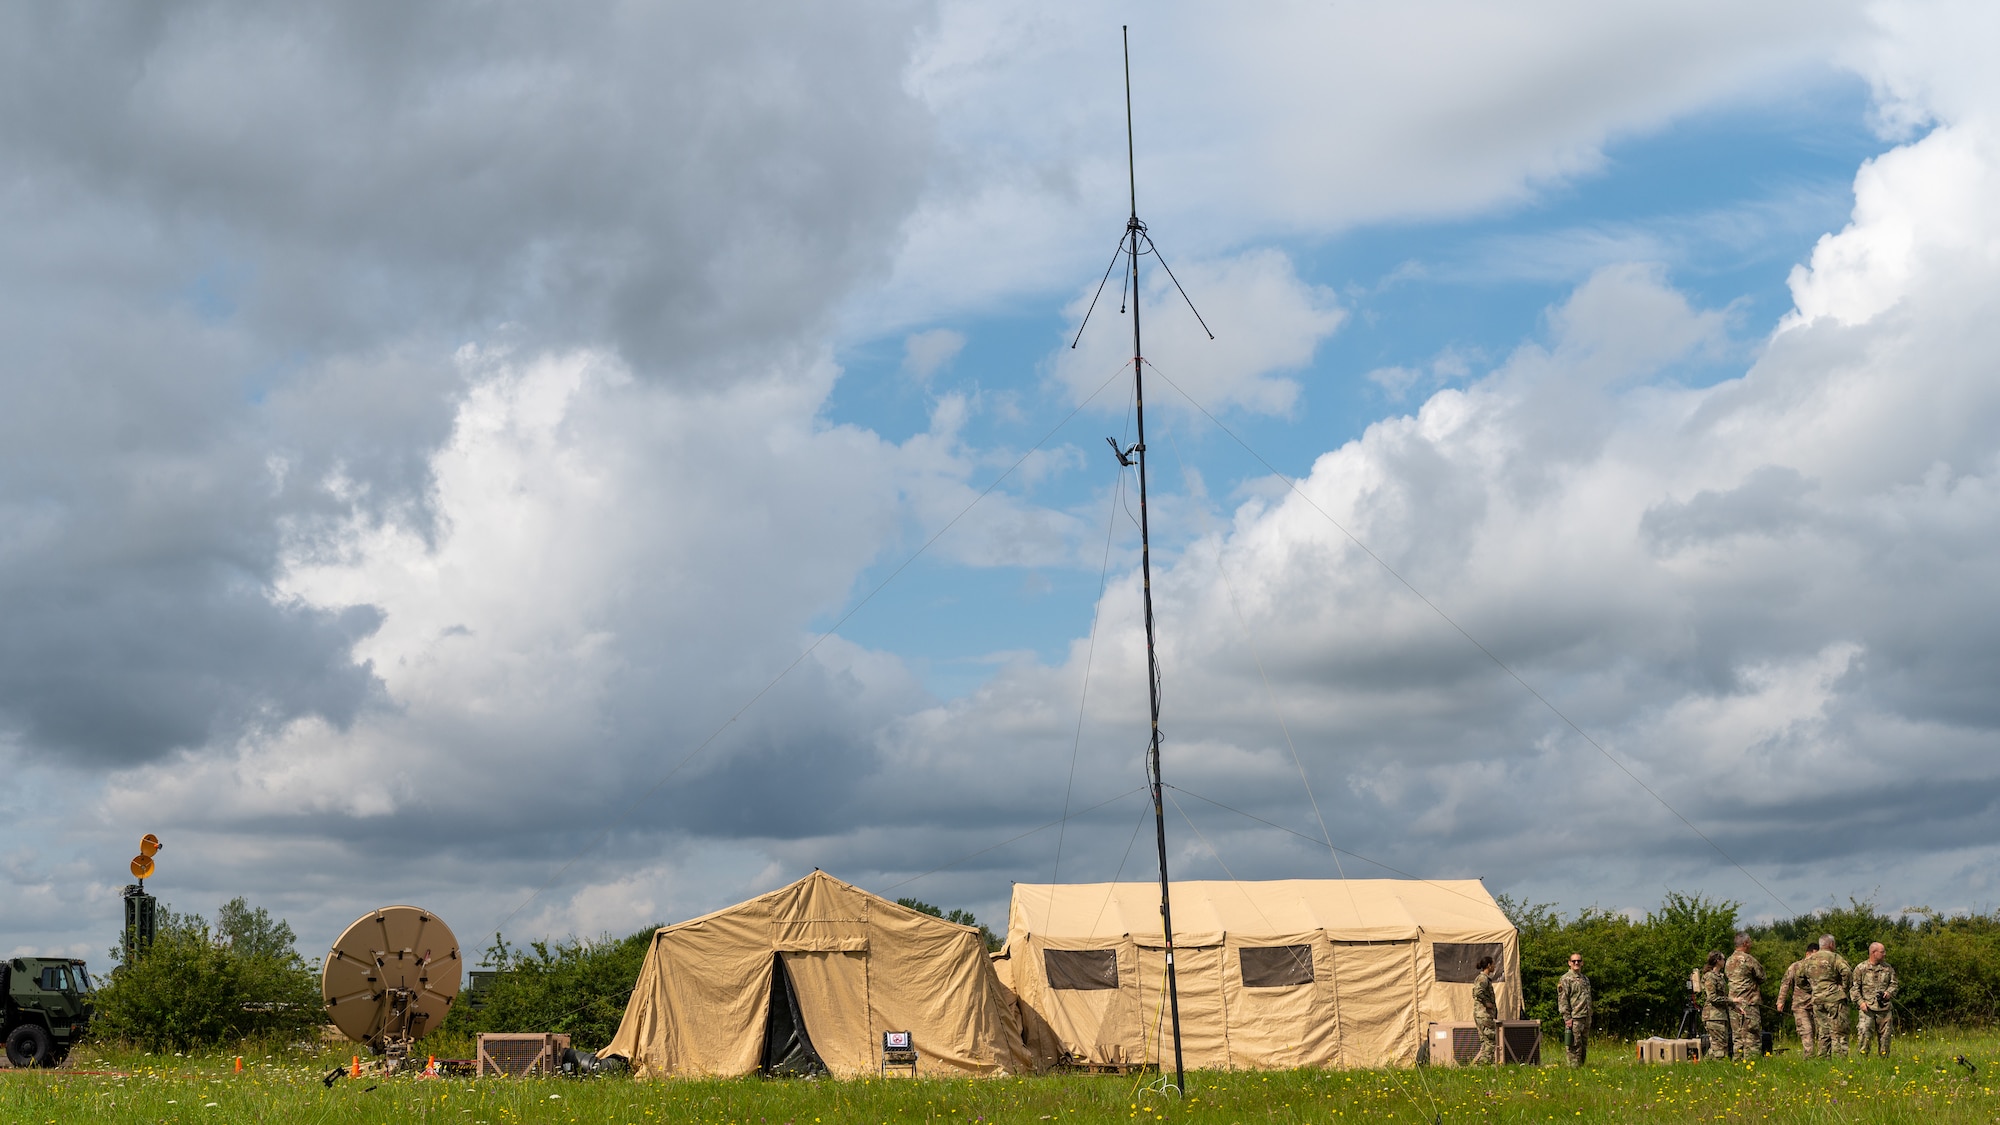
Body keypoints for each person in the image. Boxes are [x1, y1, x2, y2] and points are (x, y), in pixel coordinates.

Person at [1803, 934, 1854, 1058]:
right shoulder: (1835, 957)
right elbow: (1847, 972)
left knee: (1823, 1031)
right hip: (1834, 998)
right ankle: (1840, 1059)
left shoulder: (1808, 960)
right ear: (1831, 944)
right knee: (1839, 1030)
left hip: (1817, 1000)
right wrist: (1843, 988)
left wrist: (1812, 988)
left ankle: (1823, 1058)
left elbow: (1799, 978)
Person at [1851, 942, 1898, 1057]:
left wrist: (1888, 993)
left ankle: (1885, 1062)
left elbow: (1894, 984)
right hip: (1867, 1009)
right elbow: (1854, 989)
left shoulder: (1888, 968)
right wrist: (1860, 1003)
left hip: (1884, 1009)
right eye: (1882, 952)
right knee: (1864, 1036)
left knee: (1885, 1038)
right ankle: (1861, 1062)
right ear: (1873, 953)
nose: (1885, 954)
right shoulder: (1861, 968)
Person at [1725, 932, 1765, 1060]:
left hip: (1733, 1004)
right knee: (1752, 1036)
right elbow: (1762, 977)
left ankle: (1737, 1063)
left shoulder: (1728, 960)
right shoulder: (1748, 959)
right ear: (1745, 944)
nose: (1751, 944)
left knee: (1737, 1037)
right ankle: (1752, 1064)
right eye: (1750, 942)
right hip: (1749, 1004)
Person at [1776, 944, 1820, 1057]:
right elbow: (1785, 983)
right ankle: (1809, 1058)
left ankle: (1821, 1059)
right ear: (1807, 954)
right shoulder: (1796, 966)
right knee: (1807, 1031)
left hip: (1817, 1005)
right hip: (1800, 1006)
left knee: (1820, 1033)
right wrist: (1781, 1001)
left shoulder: (1819, 968)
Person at [1556, 952, 1592, 1066]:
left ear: (1582, 963)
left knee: (1583, 1044)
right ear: (1569, 963)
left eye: (1579, 961)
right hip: (1574, 1018)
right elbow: (1563, 1000)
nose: (1576, 963)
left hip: (1585, 1016)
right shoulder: (1566, 979)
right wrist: (1567, 1018)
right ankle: (1573, 1070)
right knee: (1574, 1045)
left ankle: (1581, 1068)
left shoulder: (1585, 979)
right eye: (1574, 961)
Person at [1470, 954, 1500, 1065]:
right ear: (1488, 965)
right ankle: (1483, 1064)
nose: (1494, 966)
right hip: (1484, 1014)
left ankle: (1484, 1065)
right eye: (1493, 964)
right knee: (1491, 1041)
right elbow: (1477, 993)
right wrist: (1487, 1003)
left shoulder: (1484, 979)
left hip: (1481, 1014)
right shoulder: (1483, 978)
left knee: (1485, 1042)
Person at [1701, 951, 1731, 1061]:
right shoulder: (1710, 976)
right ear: (1717, 961)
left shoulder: (1719, 976)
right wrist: (1732, 1001)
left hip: (1720, 1015)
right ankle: (1720, 1068)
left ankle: (1705, 1067)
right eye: (1723, 959)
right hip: (1713, 1016)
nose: (1724, 961)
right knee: (1720, 1047)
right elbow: (1712, 998)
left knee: (1716, 1045)